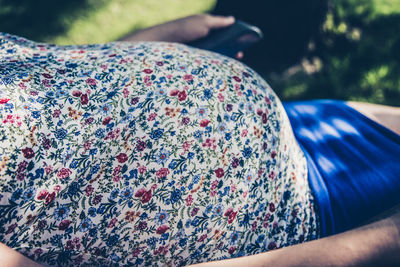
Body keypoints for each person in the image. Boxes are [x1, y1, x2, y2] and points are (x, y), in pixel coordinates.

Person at [0, 14, 399, 267]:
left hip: (295, 129)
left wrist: (143, 45)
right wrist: (381, 241)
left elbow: (42, 75)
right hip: (304, 224)